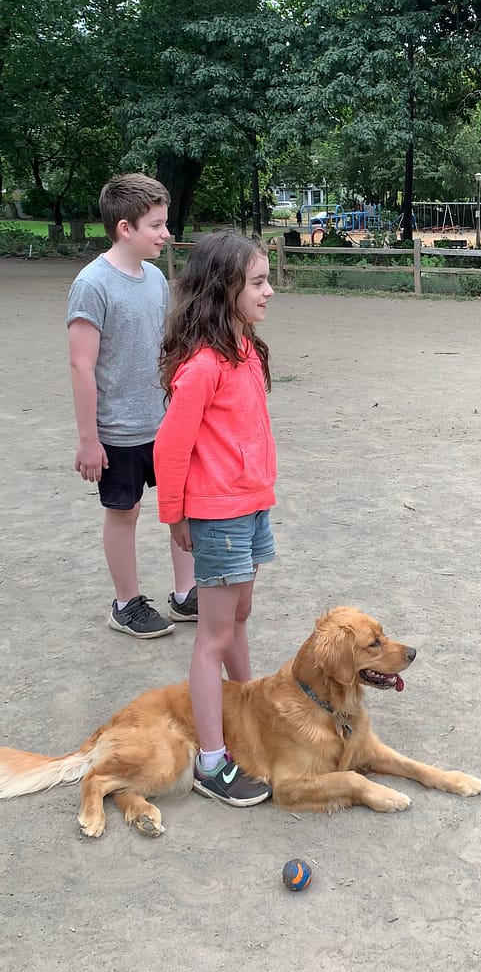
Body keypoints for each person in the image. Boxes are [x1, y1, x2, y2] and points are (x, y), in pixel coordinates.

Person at [154, 231, 276, 806]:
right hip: (218, 515)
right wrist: (175, 516)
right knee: (214, 635)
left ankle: (247, 714)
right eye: (258, 282)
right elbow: (169, 447)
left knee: (239, 616)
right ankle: (211, 761)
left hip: (251, 507)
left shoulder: (245, 348)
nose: (269, 291)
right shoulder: (204, 365)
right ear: (224, 288)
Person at [67, 174, 197, 639]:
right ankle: (126, 603)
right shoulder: (92, 284)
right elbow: (82, 366)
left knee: (181, 506)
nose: (166, 234)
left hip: (164, 423)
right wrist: (89, 440)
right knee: (125, 513)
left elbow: (166, 347)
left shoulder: (155, 278)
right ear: (125, 228)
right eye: (156, 225)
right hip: (119, 430)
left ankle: (185, 593)